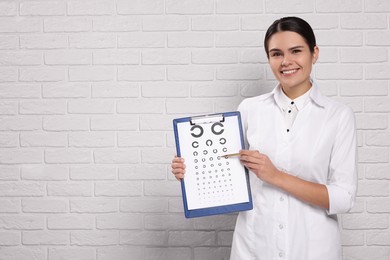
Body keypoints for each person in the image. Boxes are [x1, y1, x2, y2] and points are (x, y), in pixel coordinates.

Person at [171, 16, 357, 260]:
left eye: (296, 51)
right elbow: (230, 174)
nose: (286, 61)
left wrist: (276, 176)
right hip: (255, 246)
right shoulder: (249, 109)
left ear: (314, 53)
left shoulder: (338, 116)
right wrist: (194, 170)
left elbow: (343, 198)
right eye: (276, 53)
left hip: (313, 248)